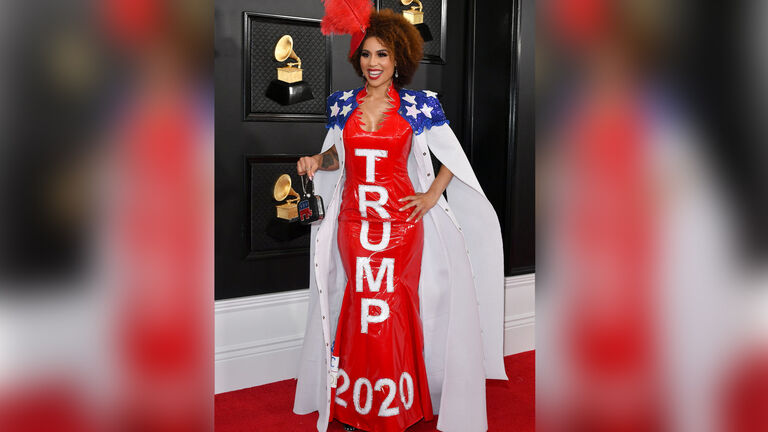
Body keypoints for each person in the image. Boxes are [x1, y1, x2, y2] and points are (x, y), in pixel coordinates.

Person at [293, 8, 506, 432]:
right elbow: (340, 156)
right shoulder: (342, 104)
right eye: (368, 55)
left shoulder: (418, 105)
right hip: (355, 225)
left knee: (393, 308)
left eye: (383, 55)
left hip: (401, 227)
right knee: (359, 304)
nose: (373, 63)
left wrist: (430, 195)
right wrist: (319, 158)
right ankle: (356, 406)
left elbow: (453, 159)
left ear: (398, 60)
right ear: (359, 60)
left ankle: (398, 405)